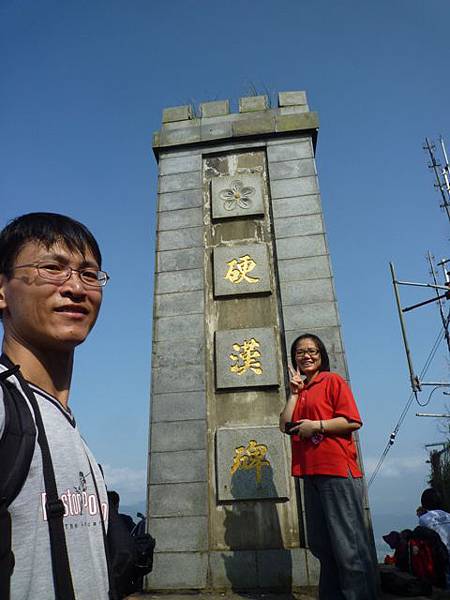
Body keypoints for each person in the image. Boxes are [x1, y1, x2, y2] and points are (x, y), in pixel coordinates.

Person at [0, 213, 110, 599]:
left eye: (89, 274)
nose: (76, 288)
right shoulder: (5, 407)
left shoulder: (63, 421)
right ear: (2, 291)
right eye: (52, 268)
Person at [279, 333, 377, 600]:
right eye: (300, 352)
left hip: (336, 472)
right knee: (324, 548)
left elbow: (352, 421)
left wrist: (317, 426)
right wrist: (293, 394)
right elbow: (284, 425)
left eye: (312, 350)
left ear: (321, 355)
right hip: (310, 474)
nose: (306, 355)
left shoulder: (332, 381)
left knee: (349, 548)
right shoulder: (301, 390)